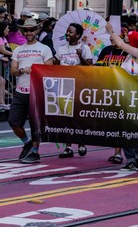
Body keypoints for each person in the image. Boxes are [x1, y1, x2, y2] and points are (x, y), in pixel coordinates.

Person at [10, 18, 54, 163]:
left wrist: (36, 71)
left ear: (36, 31)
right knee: (13, 122)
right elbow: (13, 71)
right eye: (26, 30)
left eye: (31, 30)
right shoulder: (18, 50)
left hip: (37, 91)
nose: (29, 33)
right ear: (23, 32)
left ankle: (35, 152)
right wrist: (22, 70)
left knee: (36, 123)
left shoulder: (44, 49)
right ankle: (27, 142)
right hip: (20, 92)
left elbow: (49, 70)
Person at [106, 22, 138, 171]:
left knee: (134, 130)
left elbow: (120, 44)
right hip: (124, 96)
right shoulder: (129, 57)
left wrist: (111, 31)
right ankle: (130, 158)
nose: (125, 42)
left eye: (128, 40)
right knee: (124, 130)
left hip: (135, 98)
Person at [54, 23, 93, 158]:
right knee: (66, 118)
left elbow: (90, 68)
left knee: (78, 117)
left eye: (70, 32)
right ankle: (68, 147)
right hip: (64, 87)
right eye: (67, 31)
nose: (68, 34)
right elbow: (55, 65)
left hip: (79, 87)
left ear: (78, 35)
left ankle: (81, 143)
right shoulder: (61, 49)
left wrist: (81, 57)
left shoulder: (84, 48)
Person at [0, 22, 12, 110]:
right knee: (2, 82)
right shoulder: (0, 38)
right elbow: (4, 51)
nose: (8, 30)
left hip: (4, 66)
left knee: (2, 82)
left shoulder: (4, 38)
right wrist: (16, 53)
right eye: (7, 28)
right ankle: (2, 103)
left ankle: (2, 102)